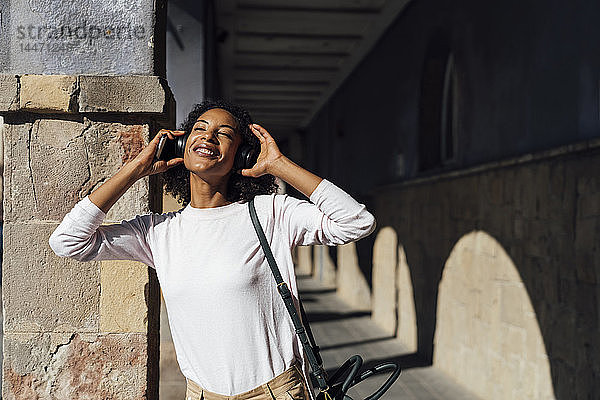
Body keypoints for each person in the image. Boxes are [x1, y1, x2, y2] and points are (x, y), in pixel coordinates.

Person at [49, 99, 376, 400]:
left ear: (242, 155)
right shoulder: (158, 232)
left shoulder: (270, 213)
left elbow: (356, 221)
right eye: (200, 129)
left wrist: (279, 165)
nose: (209, 137)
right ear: (181, 143)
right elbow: (67, 241)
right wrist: (135, 169)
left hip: (275, 393)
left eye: (224, 134)